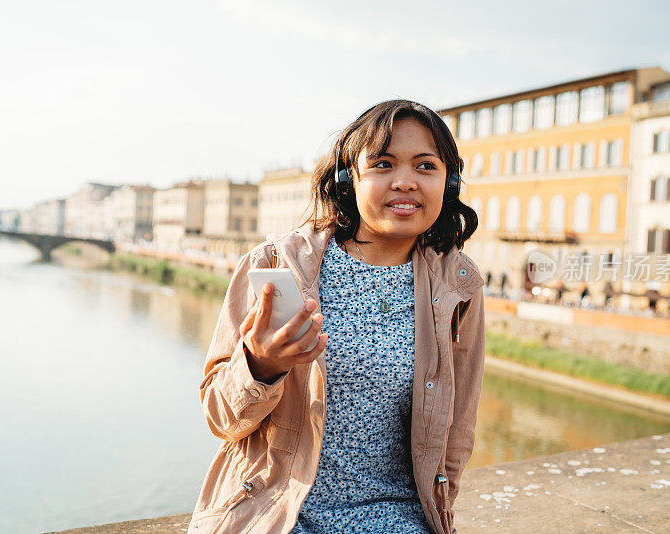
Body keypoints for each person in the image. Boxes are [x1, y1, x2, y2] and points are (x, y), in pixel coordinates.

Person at [187, 100, 486, 534]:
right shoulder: (276, 265)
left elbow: (457, 432)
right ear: (349, 178)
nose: (405, 182)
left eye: (425, 166)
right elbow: (220, 419)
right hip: (279, 512)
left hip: (397, 517)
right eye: (383, 164)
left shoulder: (458, 286)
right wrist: (260, 366)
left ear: (448, 180)